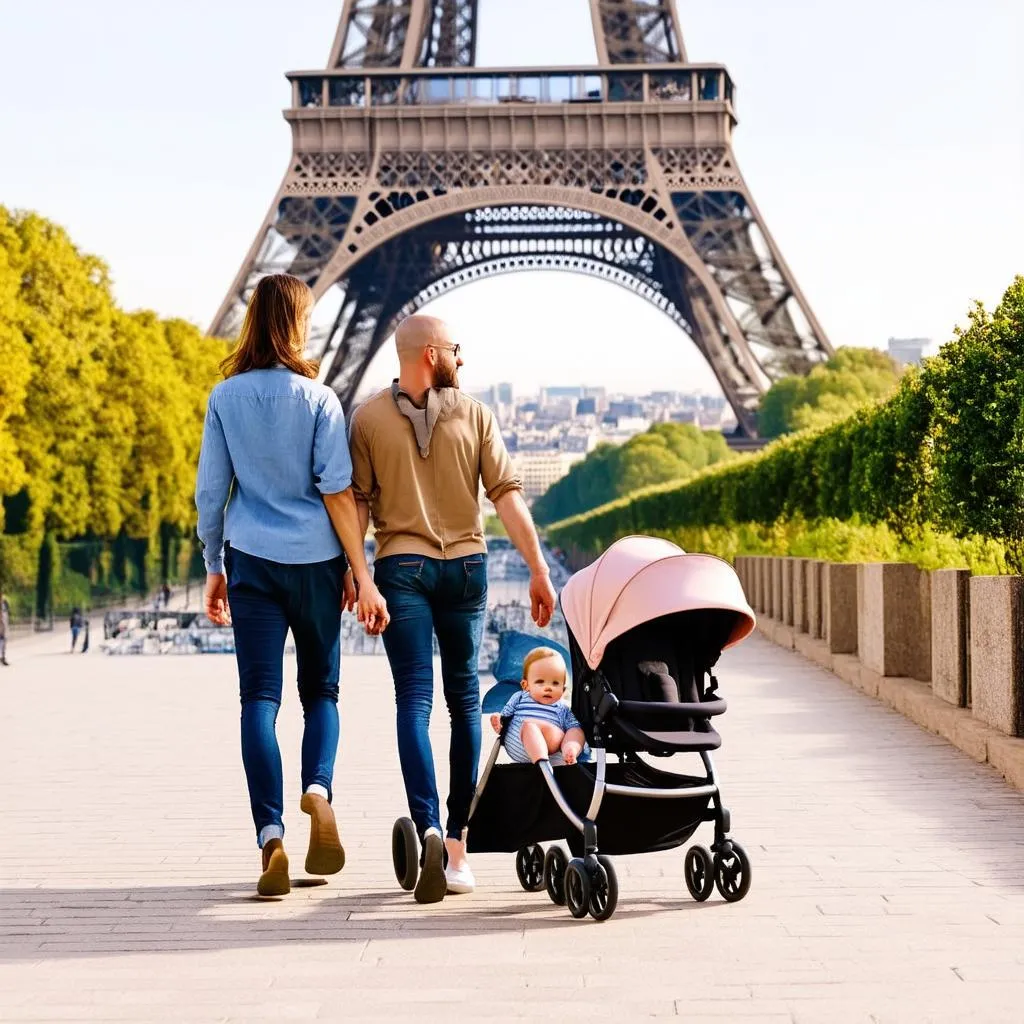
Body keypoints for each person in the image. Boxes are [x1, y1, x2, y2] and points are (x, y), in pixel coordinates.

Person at [348, 314, 557, 904]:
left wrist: (358, 574)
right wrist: (538, 569)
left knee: (412, 700)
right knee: (464, 700)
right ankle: (460, 848)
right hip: (467, 564)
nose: (462, 360)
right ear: (433, 353)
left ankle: (429, 827)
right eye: (456, 351)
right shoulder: (478, 414)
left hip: (402, 567)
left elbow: (357, 507)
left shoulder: (365, 418)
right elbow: (507, 497)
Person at [195, 273, 389, 899]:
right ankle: (318, 788)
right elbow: (337, 488)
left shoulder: (225, 397)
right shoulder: (320, 399)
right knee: (322, 694)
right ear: (300, 324)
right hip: (316, 562)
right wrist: (361, 575)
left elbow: (210, 493)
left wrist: (213, 565)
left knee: (259, 700)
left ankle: (270, 836)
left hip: (250, 556)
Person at [490, 647, 584, 765]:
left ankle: (567, 752)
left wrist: (572, 743)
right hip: (520, 744)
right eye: (540, 681)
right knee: (528, 726)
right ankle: (541, 763)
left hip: (550, 744)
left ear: (563, 689)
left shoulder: (562, 707)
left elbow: (574, 728)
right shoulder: (519, 697)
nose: (548, 687)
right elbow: (505, 716)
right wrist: (498, 720)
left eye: (555, 683)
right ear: (526, 685)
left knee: (576, 730)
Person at [0, 591, 9, 667]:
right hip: (2, 624)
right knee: (2, 639)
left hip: (4, 623)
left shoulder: (4, 603)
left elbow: (6, 613)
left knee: (3, 639)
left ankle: (3, 657)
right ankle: (2, 657)